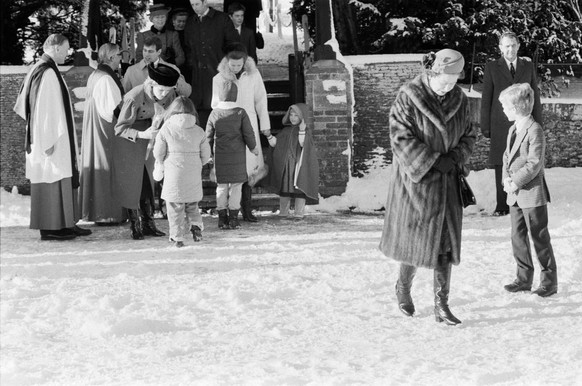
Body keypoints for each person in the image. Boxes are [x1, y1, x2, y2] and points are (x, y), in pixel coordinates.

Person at [379, 49, 476, 325]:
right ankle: (403, 288)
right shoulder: (408, 96)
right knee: (414, 243)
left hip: (447, 184)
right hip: (416, 185)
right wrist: (432, 161)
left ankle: (441, 305)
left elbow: (470, 133)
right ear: (432, 72)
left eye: (454, 79)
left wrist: (456, 157)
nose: (449, 85)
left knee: (445, 245)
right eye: (445, 79)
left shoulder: (460, 99)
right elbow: (399, 136)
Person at [13, 33, 92, 241]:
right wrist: (47, 141)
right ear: (56, 48)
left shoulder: (42, 69)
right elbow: (44, 111)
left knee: (59, 177)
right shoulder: (46, 73)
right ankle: (51, 227)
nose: (67, 53)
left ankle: (65, 223)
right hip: (51, 139)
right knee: (52, 177)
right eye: (65, 49)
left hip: (55, 137)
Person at [500, 83, 558, 297]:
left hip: (532, 194)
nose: (503, 110)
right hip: (515, 194)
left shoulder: (535, 130)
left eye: (505, 107)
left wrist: (514, 181)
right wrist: (506, 180)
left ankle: (549, 282)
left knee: (540, 238)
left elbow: (534, 164)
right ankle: (523, 279)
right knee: (518, 237)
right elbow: (506, 157)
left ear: (515, 108)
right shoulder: (512, 128)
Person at [114, 63, 181, 240]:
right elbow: (119, 129)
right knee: (133, 183)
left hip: (152, 137)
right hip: (131, 139)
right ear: (151, 84)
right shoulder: (134, 97)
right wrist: (142, 134)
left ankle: (148, 224)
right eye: (162, 90)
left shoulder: (169, 94)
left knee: (147, 182)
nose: (165, 94)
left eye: (168, 91)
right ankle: (135, 225)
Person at [480, 31, 542, 217]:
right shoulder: (492, 67)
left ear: (518, 46)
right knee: (502, 162)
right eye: (506, 46)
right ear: (500, 48)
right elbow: (486, 98)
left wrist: (538, 123)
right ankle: (502, 204)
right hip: (500, 123)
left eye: (513, 45)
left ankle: (523, 201)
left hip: (524, 123)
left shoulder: (528, 66)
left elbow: (535, 97)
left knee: (523, 160)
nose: (510, 49)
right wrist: (485, 125)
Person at [211, 45, 270, 222]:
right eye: (232, 65)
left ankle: (247, 209)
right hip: (229, 126)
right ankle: (228, 211)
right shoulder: (218, 78)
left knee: (249, 168)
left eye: (239, 65)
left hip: (249, 123)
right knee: (231, 168)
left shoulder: (253, 75)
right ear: (227, 63)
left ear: (244, 62)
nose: (236, 68)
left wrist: (264, 125)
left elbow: (261, 99)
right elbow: (215, 103)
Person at [153, 97, 211, 247]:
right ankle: (196, 228)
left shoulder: (166, 128)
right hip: (192, 175)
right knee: (192, 205)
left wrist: (162, 162)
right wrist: (197, 164)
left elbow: (158, 153)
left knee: (175, 208)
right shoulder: (199, 131)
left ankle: (177, 237)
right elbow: (206, 155)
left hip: (174, 175)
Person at [79, 43, 126, 225]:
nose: (121, 59)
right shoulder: (106, 78)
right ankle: (108, 212)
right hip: (106, 129)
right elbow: (113, 108)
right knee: (108, 167)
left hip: (95, 127)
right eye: (119, 55)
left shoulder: (95, 75)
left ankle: (98, 211)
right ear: (111, 57)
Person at [206, 80, 259, 229]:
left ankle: (222, 218)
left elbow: (208, 135)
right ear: (235, 95)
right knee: (236, 187)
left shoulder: (214, 113)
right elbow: (248, 133)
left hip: (220, 157)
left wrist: (207, 152)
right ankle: (234, 218)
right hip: (238, 157)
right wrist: (253, 147)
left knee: (221, 187)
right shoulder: (240, 112)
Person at [183, 0, 238, 127]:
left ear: (205, 2)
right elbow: (187, 47)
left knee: (219, 107)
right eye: (192, 5)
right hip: (198, 77)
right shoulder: (191, 22)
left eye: (197, 4)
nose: (195, 8)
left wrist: (226, 67)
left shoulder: (222, 19)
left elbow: (233, 44)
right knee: (200, 110)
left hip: (218, 72)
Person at [267, 103, 319, 219]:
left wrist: (301, 130)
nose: (293, 118)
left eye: (296, 115)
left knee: (299, 187)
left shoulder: (306, 131)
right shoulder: (285, 131)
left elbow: (303, 144)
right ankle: (283, 211)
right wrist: (269, 136)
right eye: (291, 115)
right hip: (287, 165)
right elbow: (276, 144)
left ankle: (299, 213)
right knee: (285, 188)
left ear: (302, 116)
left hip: (298, 165)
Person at [122, 36, 191, 97]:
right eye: (145, 50)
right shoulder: (131, 71)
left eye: (150, 51)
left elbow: (187, 93)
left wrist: (174, 82)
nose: (146, 54)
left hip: (165, 110)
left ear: (159, 52)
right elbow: (124, 96)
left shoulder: (172, 69)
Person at [135, 3, 185, 67]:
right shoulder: (142, 36)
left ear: (166, 18)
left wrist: (170, 66)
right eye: (157, 17)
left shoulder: (173, 35)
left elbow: (181, 57)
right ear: (151, 19)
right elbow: (139, 57)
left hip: (167, 72)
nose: (160, 19)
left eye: (162, 17)